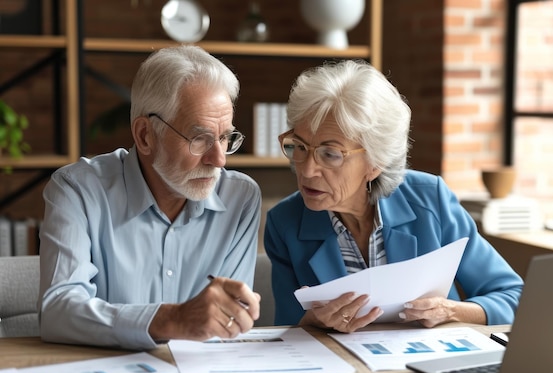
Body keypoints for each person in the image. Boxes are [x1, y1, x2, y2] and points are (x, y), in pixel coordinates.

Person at [264, 59, 524, 332]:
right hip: (345, 369)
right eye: (301, 147)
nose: (306, 169)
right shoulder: (285, 223)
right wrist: (314, 322)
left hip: (432, 361)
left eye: (330, 154)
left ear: (376, 163)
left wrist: (451, 310)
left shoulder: (430, 199)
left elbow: (513, 296)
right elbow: (288, 329)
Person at [38, 45, 261, 350]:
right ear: (145, 135)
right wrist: (174, 319)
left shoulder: (241, 198)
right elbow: (57, 312)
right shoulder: (76, 190)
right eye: (200, 139)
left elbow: (230, 321)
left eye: (225, 137)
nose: (219, 159)